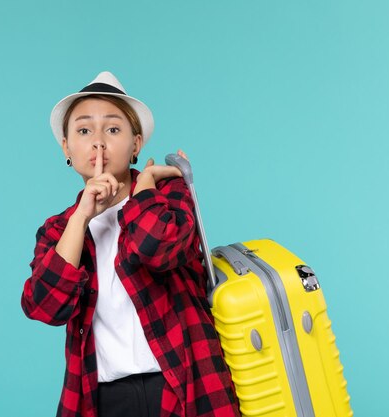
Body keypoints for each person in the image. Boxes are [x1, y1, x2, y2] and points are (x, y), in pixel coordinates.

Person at [21, 71, 240, 417]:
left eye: (112, 129)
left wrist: (145, 187)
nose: (98, 143)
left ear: (136, 144)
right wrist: (81, 217)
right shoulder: (59, 230)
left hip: (183, 386)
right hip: (104, 397)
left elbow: (156, 249)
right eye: (83, 130)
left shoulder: (169, 196)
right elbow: (45, 306)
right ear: (66, 147)